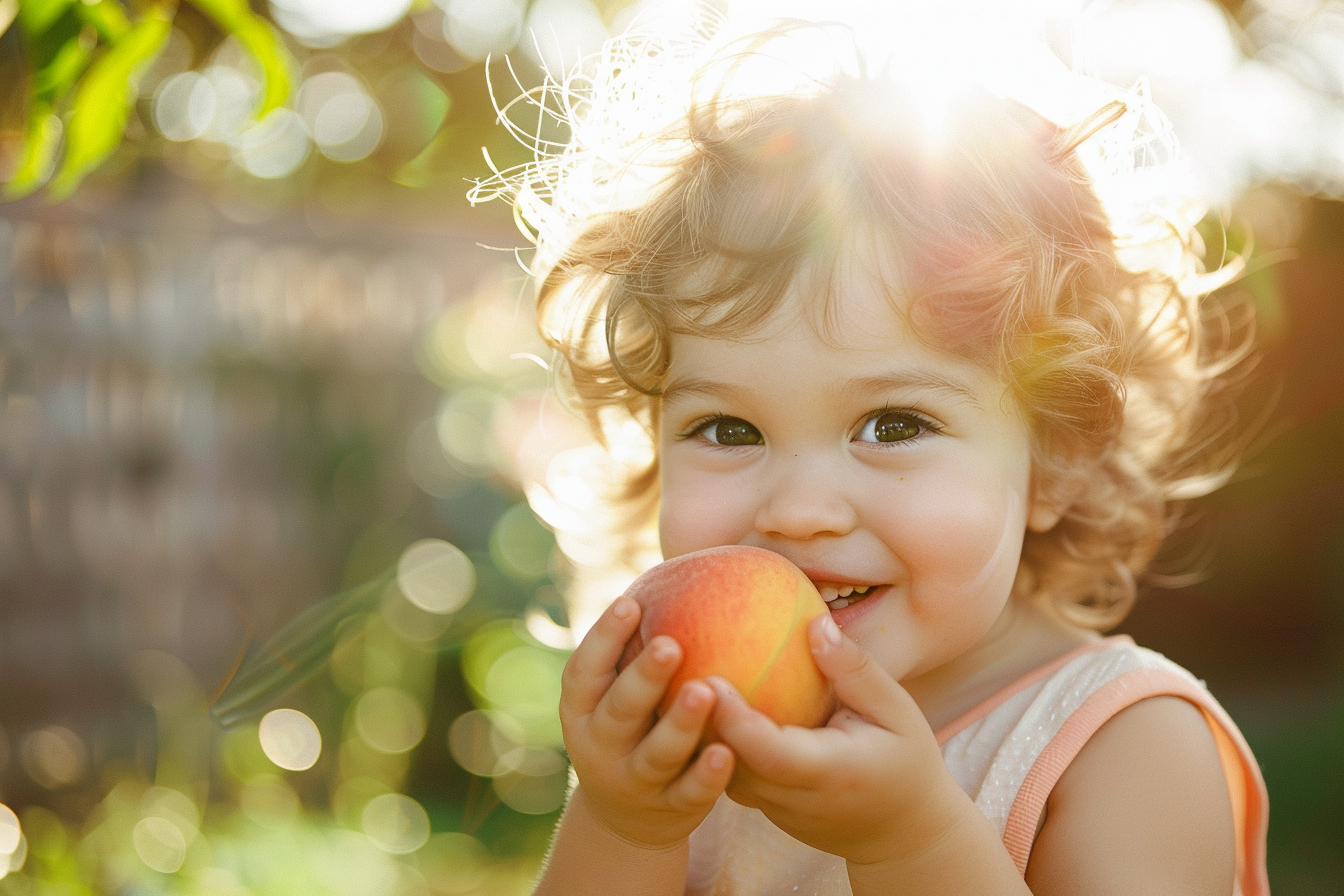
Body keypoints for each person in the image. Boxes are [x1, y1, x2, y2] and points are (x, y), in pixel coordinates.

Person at [475, 12, 1270, 895]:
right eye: (729, 430)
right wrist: (623, 826)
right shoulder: (695, 737)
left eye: (892, 425)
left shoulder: (1128, 745)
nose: (798, 510)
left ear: (1056, 458)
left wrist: (911, 842)